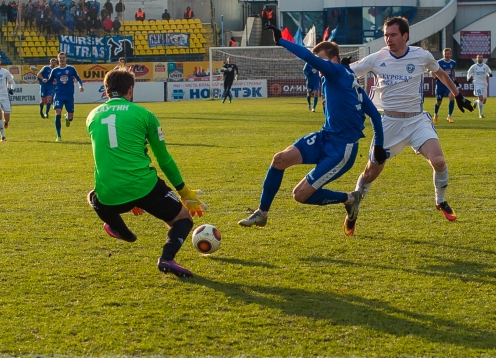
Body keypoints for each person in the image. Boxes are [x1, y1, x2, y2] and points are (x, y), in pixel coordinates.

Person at [238, 28, 385, 234]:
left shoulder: (336, 72)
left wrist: (281, 41)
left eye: (320, 61)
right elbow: (312, 65)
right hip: (326, 136)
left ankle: (350, 198)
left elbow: (376, 115)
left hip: (342, 148)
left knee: (300, 195)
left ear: (332, 60)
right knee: (279, 159)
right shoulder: (342, 76)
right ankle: (261, 213)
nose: (317, 66)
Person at [348, 16, 474, 229]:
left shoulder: (421, 56)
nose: (388, 39)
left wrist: (458, 94)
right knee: (371, 173)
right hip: (387, 124)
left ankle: (440, 200)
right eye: (386, 35)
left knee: (439, 162)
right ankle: (354, 206)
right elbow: (347, 72)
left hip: (416, 121)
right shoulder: (377, 58)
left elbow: (440, 73)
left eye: (393, 35)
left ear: (405, 36)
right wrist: (335, 66)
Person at [86, 69, 206, 277]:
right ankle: (167, 258)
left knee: (92, 197)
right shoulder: (144, 115)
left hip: (109, 194)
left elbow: (109, 155)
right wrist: (184, 192)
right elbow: (164, 159)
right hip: (144, 187)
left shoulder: (92, 116)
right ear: (130, 89)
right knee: (182, 219)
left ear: (106, 90)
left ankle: (122, 231)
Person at [51, 52, 84, 142]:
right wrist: (45, 80)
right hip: (59, 95)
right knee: (58, 112)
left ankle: (67, 118)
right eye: (60, 58)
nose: (62, 59)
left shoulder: (71, 69)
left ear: (66, 59)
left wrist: (80, 85)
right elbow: (50, 81)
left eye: (63, 57)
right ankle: (58, 136)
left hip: (69, 95)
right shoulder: (55, 71)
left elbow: (79, 78)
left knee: (71, 117)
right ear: (58, 59)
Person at [432, 48, 457, 124]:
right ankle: (435, 115)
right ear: (443, 54)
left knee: (452, 97)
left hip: (448, 84)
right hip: (440, 85)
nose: (447, 55)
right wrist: (436, 78)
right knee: (438, 102)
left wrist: (454, 79)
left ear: (451, 54)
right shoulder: (439, 62)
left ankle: (449, 116)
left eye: (448, 54)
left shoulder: (453, 62)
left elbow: (452, 70)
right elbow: (431, 71)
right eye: (445, 54)